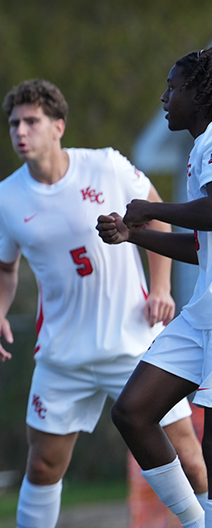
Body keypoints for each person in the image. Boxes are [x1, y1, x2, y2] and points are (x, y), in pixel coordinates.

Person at [0, 79, 202, 527]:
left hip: (133, 341)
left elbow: (157, 219)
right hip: (64, 353)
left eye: (31, 121)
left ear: (58, 126)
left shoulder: (105, 166)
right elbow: (3, 268)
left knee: (188, 455)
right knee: (43, 465)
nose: (20, 131)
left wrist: (161, 290)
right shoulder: (5, 198)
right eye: (13, 123)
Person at [99, 49, 212, 528]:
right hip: (201, 317)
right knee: (133, 412)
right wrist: (134, 235)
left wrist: (152, 211)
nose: (165, 97)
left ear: (201, 93)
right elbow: (203, 246)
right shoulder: (199, 148)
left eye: (173, 87)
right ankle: (195, 522)